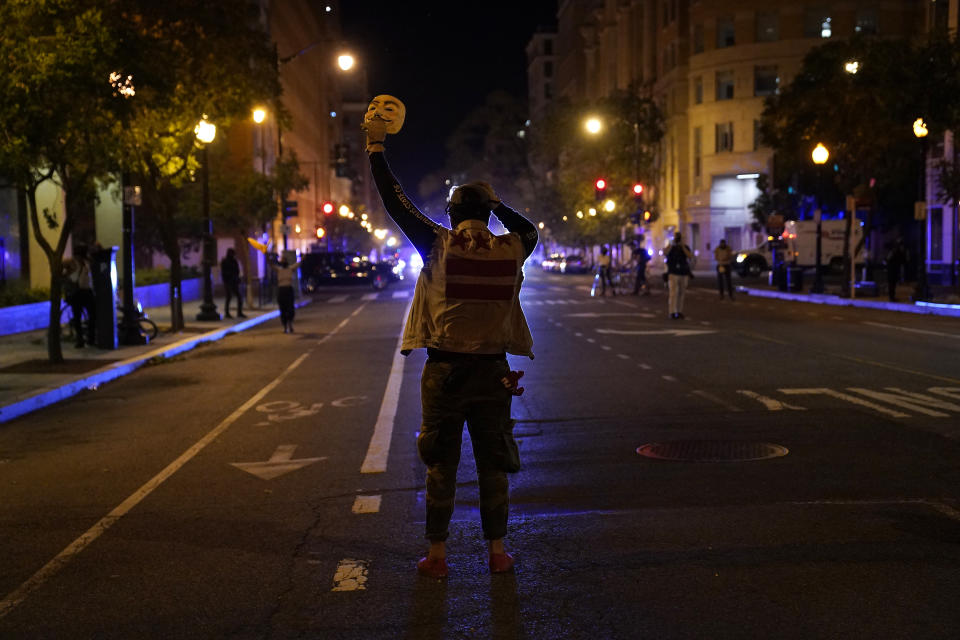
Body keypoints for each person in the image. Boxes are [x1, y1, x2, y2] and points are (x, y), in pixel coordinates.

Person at [365, 101, 537, 579]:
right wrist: (499, 203)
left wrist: (376, 145)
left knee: (440, 461)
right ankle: (497, 552)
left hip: (443, 371)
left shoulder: (437, 243)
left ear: (452, 212)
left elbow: (394, 200)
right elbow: (530, 229)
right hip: (494, 371)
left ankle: (437, 557)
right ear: (487, 213)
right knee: (494, 462)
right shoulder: (512, 247)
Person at [62, 244, 96, 348]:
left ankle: (87, 339)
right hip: (79, 292)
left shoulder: (86, 263)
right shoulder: (74, 263)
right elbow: (64, 273)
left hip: (84, 292)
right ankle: (84, 339)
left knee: (88, 316)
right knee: (80, 317)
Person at [664, 232, 694, 319]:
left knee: (682, 292)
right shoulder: (671, 247)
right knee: (673, 293)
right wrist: (671, 244)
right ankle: (672, 312)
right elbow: (665, 253)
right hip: (673, 272)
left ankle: (679, 311)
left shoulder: (685, 247)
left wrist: (683, 246)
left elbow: (690, 256)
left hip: (683, 272)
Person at [270, 256, 301, 333]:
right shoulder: (279, 269)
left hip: (288, 289)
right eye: (282, 260)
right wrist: (266, 255)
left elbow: (298, 263)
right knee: (283, 309)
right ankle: (285, 327)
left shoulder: (290, 268)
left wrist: (304, 256)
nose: (283, 262)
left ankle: (290, 324)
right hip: (281, 290)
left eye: (284, 260)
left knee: (290, 308)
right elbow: (271, 264)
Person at [220, 248, 246, 319]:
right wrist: (228, 279)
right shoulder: (225, 261)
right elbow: (224, 273)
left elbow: (237, 271)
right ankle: (227, 313)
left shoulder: (234, 261)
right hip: (228, 282)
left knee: (239, 297)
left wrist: (237, 278)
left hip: (234, 281)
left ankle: (239, 312)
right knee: (229, 297)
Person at [885, 237, 909, 302]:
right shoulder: (894, 251)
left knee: (893, 283)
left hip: (895, 270)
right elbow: (888, 260)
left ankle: (892, 297)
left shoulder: (900, 251)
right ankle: (891, 297)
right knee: (891, 284)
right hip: (892, 270)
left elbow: (904, 261)